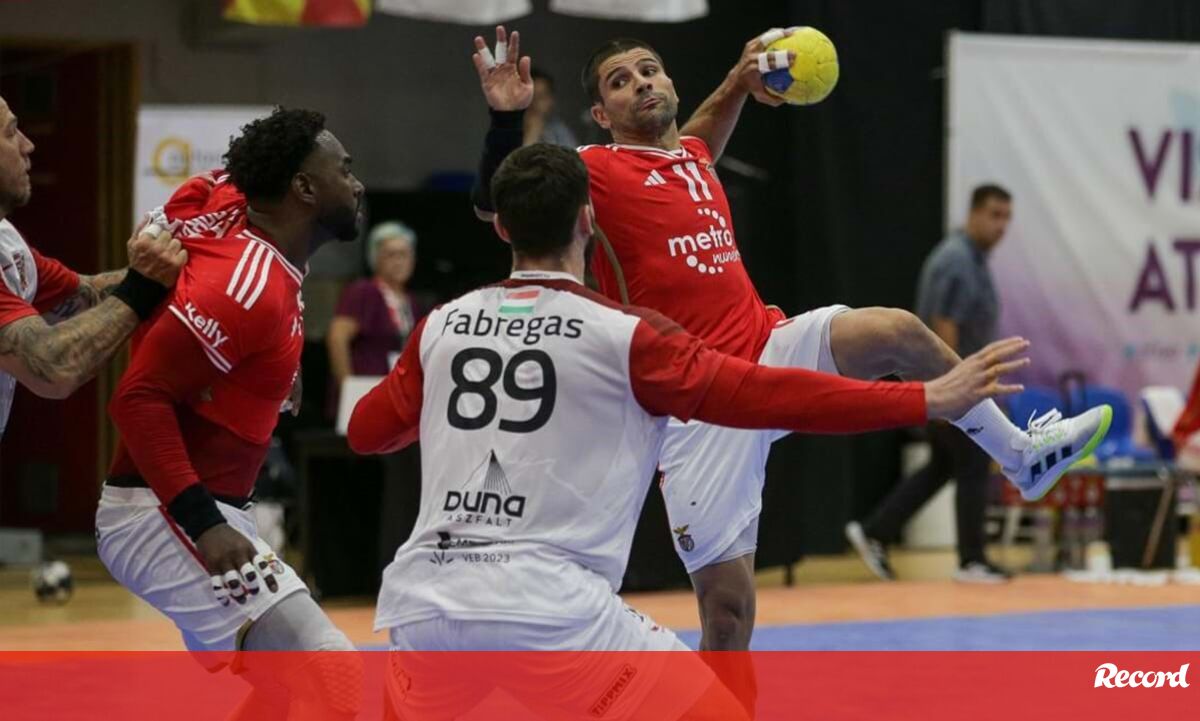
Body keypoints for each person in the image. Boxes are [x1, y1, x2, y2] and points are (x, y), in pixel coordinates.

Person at [466, 25, 1112, 666]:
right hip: (700, 400)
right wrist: (504, 120)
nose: (641, 82)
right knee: (727, 613)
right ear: (603, 114)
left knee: (895, 331)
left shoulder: (692, 158)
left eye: (648, 69)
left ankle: (1019, 455)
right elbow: (500, 205)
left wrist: (739, 81)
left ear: (670, 81)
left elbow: (701, 138)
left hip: (768, 344)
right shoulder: (595, 170)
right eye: (620, 81)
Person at [348, 143, 1033, 721]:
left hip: (425, 606)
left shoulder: (443, 325)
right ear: (588, 219)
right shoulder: (625, 335)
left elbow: (366, 432)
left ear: (501, 228)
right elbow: (764, 394)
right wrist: (923, 397)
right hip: (552, 609)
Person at [99, 108, 365, 720]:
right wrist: (205, 527)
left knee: (280, 689)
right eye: (345, 171)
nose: (356, 184)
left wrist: (275, 361)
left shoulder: (243, 210)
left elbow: (203, 190)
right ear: (303, 188)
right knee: (333, 672)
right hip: (160, 514)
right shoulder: (246, 287)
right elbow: (135, 400)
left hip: (213, 508)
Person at [846, 184, 1032, 583]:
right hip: (954, 386)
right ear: (974, 213)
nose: (1001, 225)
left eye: (1007, 217)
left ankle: (876, 529)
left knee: (944, 465)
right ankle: (972, 560)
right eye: (994, 215)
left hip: (954, 384)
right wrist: (952, 391)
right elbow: (943, 325)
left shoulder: (974, 260)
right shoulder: (957, 261)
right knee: (974, 462)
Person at [0, 94, 186, 437]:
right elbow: (53, 368)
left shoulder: (5, 239)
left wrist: (187, 259)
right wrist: (143, 284)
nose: (28, 145)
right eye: (11, 133)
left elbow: (86, 296)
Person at [327, 220, 426, 385]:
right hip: (365, 388)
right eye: (391, 255)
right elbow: (337, 338)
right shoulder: (364, 291)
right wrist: (348, 385)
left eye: (404, 254)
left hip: (395, 389)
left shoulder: (411, 302)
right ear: (375, 258)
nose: (399, 261)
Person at [522, 68, 578, 148]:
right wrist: (532, 135)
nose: (534, 103)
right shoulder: (508, 129)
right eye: (530, 97)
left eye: (541, 97)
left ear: (551, 100)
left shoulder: (559, 131)